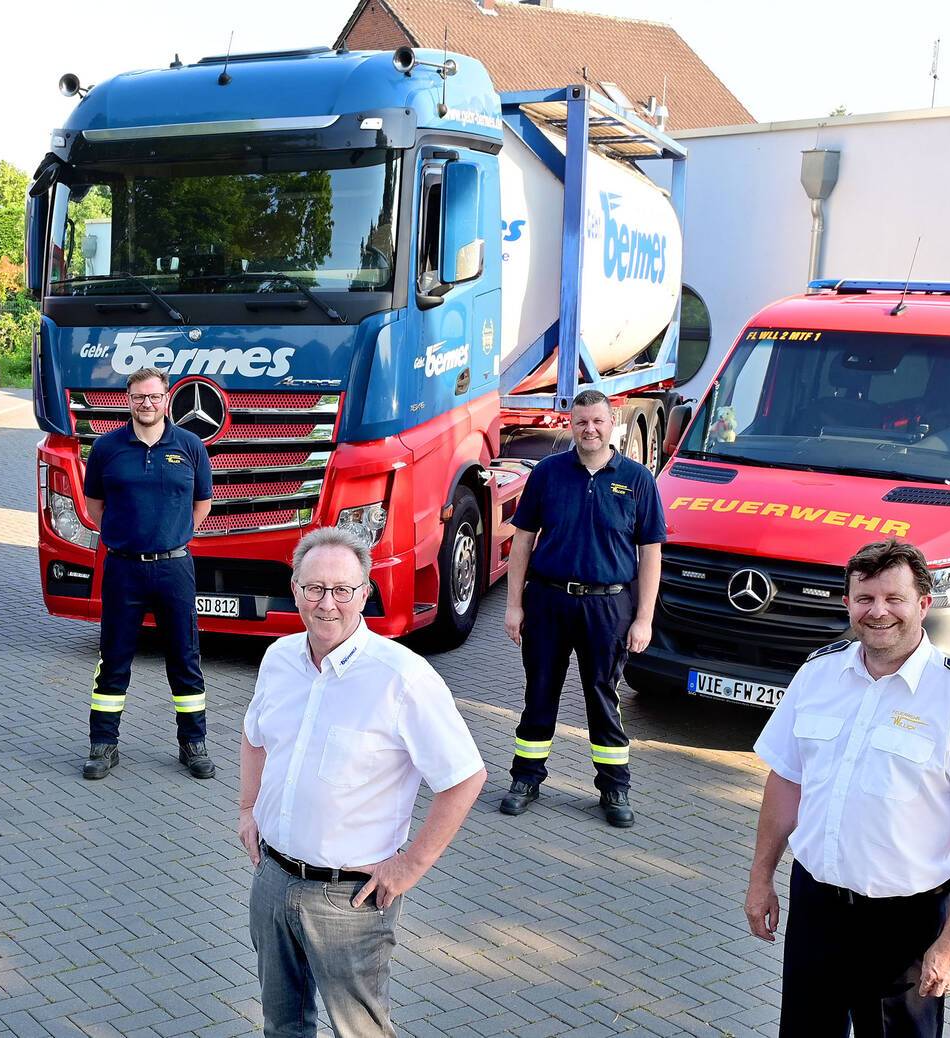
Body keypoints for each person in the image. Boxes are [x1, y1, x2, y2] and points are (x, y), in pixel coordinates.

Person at [745, 540, 950, 1038]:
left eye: (894, 598)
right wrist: (760, 878)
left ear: (924, 603)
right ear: (847, 604)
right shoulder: (818, 674)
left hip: (907, 924)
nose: (878, 611)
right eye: (865, 598)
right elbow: (787, 780)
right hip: (817, 907)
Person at [239, 526, 487, 1037]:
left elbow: (465, 777)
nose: (327, 603)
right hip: (272, 878)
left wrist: (410, 866)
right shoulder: (279, 659)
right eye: (314, 588)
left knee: (360, 1032)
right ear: (295, 589)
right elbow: (254, 735)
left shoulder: (402, 677)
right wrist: (248, 809)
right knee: (281, 1026)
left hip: (348, 900)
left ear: (365, 592)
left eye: (342, 590)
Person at [498, 389, 664, 827]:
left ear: (613, 424)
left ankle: (614, 788)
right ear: (571, 426)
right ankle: (526, 779)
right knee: (539, 692)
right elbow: (522, 542)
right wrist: (514, 606)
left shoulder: (638, 480)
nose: (590, 429)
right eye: (581, 422)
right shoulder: (547, 474)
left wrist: (644, 618)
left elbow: (650, 553)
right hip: (548, 600)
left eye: (597, 421)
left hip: (609, 606)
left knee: (602, 695)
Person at [79, 366, 215, 781]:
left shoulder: (190, 446)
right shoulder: (107, 448)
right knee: (114, 658)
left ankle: (193, 744)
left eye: (154, 396)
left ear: (166, 398)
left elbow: (202, 503)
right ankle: (103, 745)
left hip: (175, 568)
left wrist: (172, 536)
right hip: (123, 568)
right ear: (129, 399)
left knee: (185, 657)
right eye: (139, 396)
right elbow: (95, 505)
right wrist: (127, 537)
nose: (147, 404)